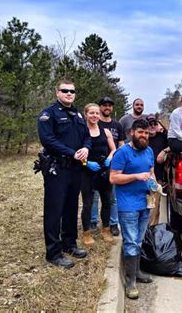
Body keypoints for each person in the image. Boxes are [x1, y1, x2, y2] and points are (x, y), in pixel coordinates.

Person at [37, 80, 90, 269]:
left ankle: (70, 244)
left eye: (72, 91)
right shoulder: (48, 114)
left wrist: (86, 147)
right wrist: (71, 152)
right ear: (57, 92)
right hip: (57, 167)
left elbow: (86, 136)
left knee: (71, 207)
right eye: (65, 91)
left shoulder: (77, 114)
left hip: (75, 169)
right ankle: (53, 252)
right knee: (54, 210)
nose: (69, 93)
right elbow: (47, 140)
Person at [110, 119, 155, 299]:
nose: (144, 136)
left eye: (147, 133)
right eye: (140, 132)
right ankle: (130, 282)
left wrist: (155, 184)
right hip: (128, 205)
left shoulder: (149, 151)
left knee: (139, 239)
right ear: (132, 133)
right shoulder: (122, 153)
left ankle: (137, 272)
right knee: (130, 242)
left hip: (145, 202)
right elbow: (113, 178)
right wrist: (136, 176)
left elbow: (151, 171)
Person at [80, 103, 116, 246]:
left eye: (96, 113)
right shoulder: (81, 131)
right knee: (88, 203)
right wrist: (86, 162)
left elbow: (114, 150)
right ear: (86, 115)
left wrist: (109, 159)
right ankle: (86, 233)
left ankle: (106, 229)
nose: (94, 116)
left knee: (106, 201)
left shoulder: (106, 131)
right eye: (91, 113)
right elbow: (77, 153)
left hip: (103, 171)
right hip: (87, 172)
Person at [90, 97, 125, 236]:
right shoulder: (93, 124)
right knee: (94, 196)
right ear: (99, 107)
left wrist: (121, 163)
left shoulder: (117, 126)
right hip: (95, 165)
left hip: (113, 166)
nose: (107, 108)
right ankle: (92, 221)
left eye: (110, 105)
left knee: (112, 197)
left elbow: (121, 145)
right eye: (104, 105)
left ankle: (113, 223)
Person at [147, 113, 169, 225]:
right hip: (143, 176)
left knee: (156, 205)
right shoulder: (142, 137)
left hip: (158, 176)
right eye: (149, 124)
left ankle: (153, 228)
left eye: (154, 123)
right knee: (145, 205)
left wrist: (164, 151)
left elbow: (173, 145)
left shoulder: (163, 137)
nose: (152, 126)